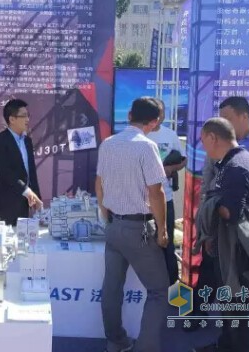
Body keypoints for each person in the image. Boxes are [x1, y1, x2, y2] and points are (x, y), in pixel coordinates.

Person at [96, 97, 169, 352]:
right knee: (159, 290)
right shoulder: (147, 147)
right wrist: (163, 230)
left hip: (114, 225)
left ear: (129, 115)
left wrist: (106, 215)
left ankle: (115, 341)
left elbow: (99, 184)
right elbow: (156, 192)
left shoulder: (108, 143)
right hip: (139, 229)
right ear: (155, 121)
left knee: (112, 288)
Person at [199, 117, 249, 352]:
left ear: (213, 138)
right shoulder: (240, 161)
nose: (204, 148)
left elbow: (230, 212)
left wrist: (210, 204)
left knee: (240, 313)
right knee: (231, 309)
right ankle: (226, 346)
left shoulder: (236, 167)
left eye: (203, 141)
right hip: (235, 250)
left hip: (238, 255)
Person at [202, 96, 249, 200]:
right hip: (220, 206)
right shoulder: (216, 142)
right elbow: (206, 181)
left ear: (244, 116)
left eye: (227, 119)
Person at [147, 99, 187, 285]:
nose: (160, 116)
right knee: (145, 246)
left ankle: (172, 288)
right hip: (141, 201)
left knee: (166, 243)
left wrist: (172, 168)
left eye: (162, 112)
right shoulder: (140, 135)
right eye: (157, 112)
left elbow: (183, 159)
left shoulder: (170, 135)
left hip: (166, 198)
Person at [0, 99, 42, 226]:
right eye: (23, 116)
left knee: (22, 235)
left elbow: (31, 171)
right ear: (12, 119)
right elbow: (5, 172)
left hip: (24, 203)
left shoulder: (27, 141)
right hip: (5, 203)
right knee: (5, 237)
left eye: (28, 115)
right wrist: (27, 191)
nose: (27, 119)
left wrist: (36, 195)